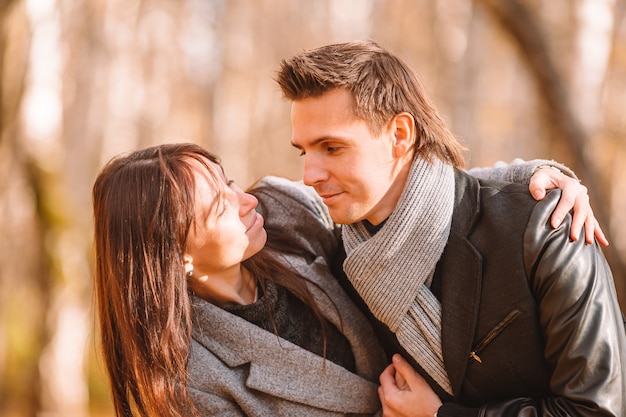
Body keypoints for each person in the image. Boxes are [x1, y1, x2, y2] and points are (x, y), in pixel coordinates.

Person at [93, 143, 600, 417]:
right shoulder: (192, 388)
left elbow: (409, 198)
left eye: (227, 180)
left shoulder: (283, 215)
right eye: (219, 205)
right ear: (172, 256)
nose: (243, 199)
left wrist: (535, 181)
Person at [276, 40, 626, 417]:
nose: (309, 175)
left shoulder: (543, 227)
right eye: (304, 151)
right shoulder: (346, 267)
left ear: (400, 135)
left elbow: (597, 410)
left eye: (332, 148)